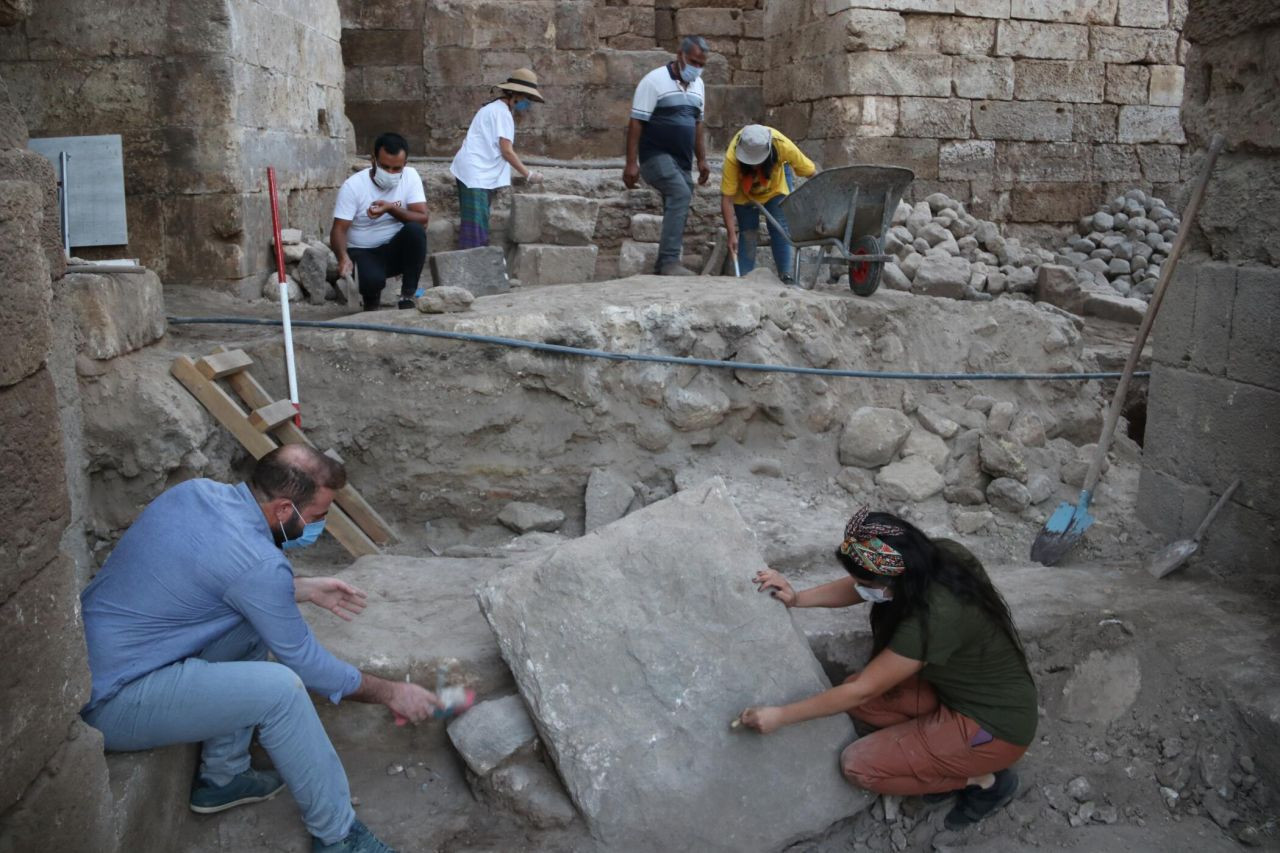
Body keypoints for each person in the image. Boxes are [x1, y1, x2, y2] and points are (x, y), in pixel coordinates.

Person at [80, 445, 446, 853]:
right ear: (284, 510)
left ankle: (223, 778)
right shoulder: (259, 565)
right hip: (110, 700)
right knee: (281, 691)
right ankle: (339, 837)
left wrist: (298, 588)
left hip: (99, 662)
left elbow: (218, 574)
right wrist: (393, 692)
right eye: (318, 515)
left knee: (251, 624)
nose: (320, 524)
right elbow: (310, 667)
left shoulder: (196, 493)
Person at [739, 507, 1037, 832]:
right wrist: (797, 598)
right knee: (866, 703)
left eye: (866, 583)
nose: (861, 589)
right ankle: (943, 753)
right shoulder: (935, 558)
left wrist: (779, 716)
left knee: (859, 766)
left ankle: (985, 781)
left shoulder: (930, 620)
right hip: (960, 695)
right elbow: (862, 586)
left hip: (996, 727)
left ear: (891, 578)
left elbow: (862, 689)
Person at [622, 35, 711, 276]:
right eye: (694, 62)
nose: (697, 69)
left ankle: (665, 262)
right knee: (680, 192)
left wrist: (701, 159)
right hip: (654, 156)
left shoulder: (699, 86)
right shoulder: (654, 81)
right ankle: (670, 261)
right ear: (679, 55)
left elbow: (697, 124)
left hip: (682, 160)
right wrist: (631, 163)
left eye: (702, 64)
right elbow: (636, 122)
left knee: (682, 194)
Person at [331, 132, 429, 311]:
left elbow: (422, 219)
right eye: (385, 167)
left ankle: (408, 295)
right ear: (373, 160)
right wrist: (343, 258)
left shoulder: (410, 176)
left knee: (415, 231)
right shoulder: (353, 186)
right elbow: (338, 229)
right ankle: (371, 300)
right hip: (363, 251)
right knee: (371, 281)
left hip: (394, 248)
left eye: (396, 169)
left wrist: (391, 208)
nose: (390, 173)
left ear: (405, 165)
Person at [450, 68, 546, 250]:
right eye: (527, 98)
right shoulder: (501, 113)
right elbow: (507, 151)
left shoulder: (495, 109)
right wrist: (529, 174)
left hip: (475, 172)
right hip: (475, 173)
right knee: (476, 229)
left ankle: (475, 267)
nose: (528, 103)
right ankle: (473, 269)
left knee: (477, 223)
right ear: (515, 94)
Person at [720, 123, 816, 283]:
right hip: (744, 193)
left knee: (779, 228)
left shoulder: (783, 145)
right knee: (748, 232)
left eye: (758, 161)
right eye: (750, 162)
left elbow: (811, 173)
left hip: (775, 188)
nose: (755, 165)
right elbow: (727, 198)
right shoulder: (732, 158)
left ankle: (786, 277)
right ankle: (745, 279)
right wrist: (731, 234)